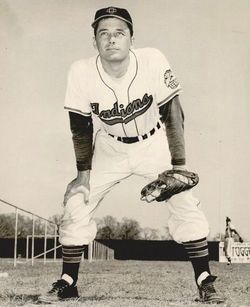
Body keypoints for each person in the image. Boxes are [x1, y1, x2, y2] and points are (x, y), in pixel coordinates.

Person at [39, 6, 224, 304]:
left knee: (184, 201)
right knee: (76, 201)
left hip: (153, 144)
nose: (112, 39)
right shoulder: (81, 71)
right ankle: (68, 282)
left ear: (131, 39)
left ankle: (205, 281)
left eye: (119, 33)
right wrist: (82, 175)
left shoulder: (152, 59)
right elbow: (80, 126)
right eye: (104, 34)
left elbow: (173, 113)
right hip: (109, 148)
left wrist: (178, 166)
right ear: (95, 41)